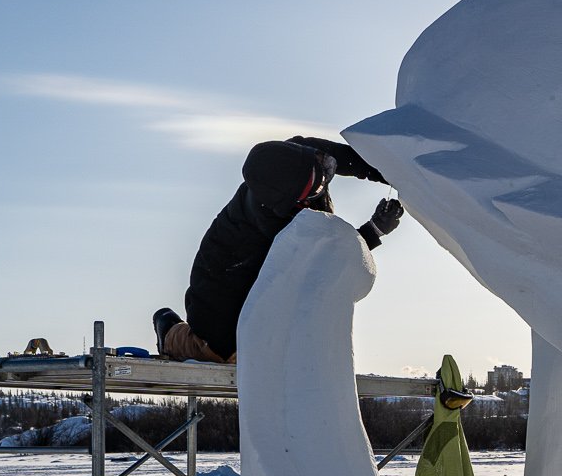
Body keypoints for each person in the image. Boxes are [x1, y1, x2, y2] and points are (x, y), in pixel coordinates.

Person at [153, 136, 404, 363]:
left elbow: (338, 158)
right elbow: (328, 260)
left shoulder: (290, 160)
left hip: (249, 295)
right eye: (316, 188)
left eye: (323, 170)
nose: (324, 182)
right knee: (219, 353)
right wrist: (373, 231)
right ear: (290, 201)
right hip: (220, 318)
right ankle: (169, 330)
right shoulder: (279, 231)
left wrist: (386, 171)